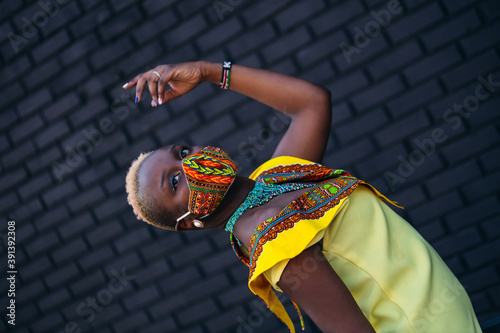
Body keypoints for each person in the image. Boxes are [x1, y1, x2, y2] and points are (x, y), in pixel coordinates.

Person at [123, 61, 482, 333]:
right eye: (174, 182)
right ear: (188, 224)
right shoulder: (266, 233)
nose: (189, 165)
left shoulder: (276, 175)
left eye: (181, 152)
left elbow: (311, 103)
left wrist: (208, 72)